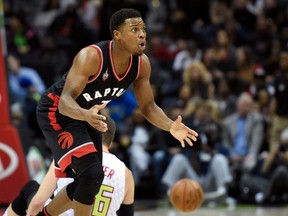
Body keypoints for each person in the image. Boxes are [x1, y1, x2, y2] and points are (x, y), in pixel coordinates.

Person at [33, 8, 198, 216]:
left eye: (143, 29)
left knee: (92, 181)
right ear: (117, 35)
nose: (142, 34)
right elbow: (65, 102)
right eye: (134, 29)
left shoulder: (141, 64)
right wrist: (85, 115)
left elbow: (148, 107)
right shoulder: (91, 56)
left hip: (87, 115)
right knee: (91, 174)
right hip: (57, 111)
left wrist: (170, 126)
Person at [4, 116, 135, 216]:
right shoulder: (126, 173)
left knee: (31, 188)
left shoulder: (68, 156)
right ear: (111, 142)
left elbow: (37, 202)